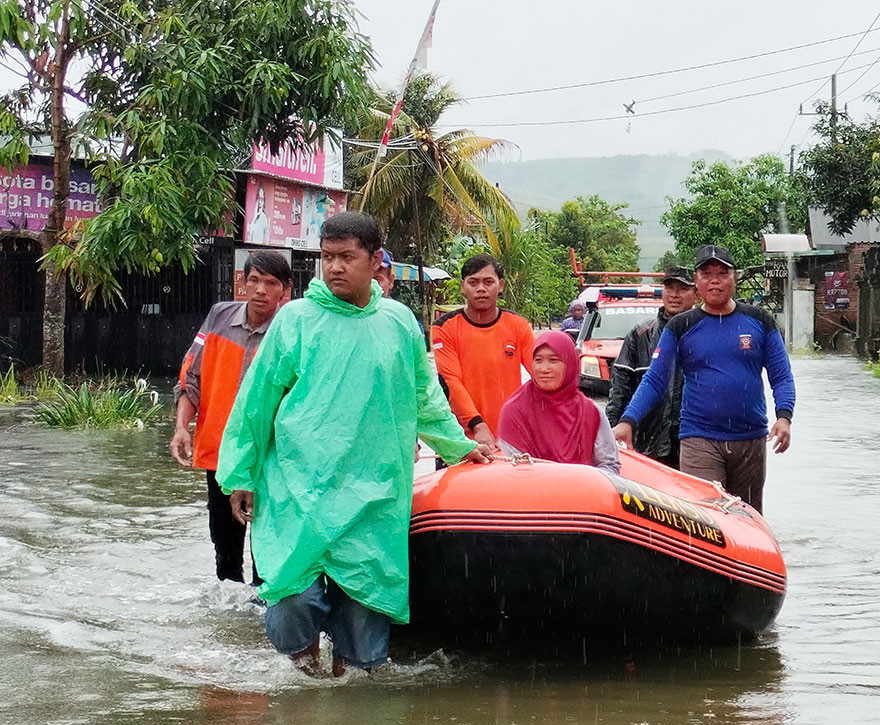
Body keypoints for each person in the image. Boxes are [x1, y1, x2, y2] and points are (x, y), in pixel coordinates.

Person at [217, 212, 491, 678]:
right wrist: (241, 475)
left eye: (347, 257)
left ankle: (347, 694)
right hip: (298, 487)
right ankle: (303, 678)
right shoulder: (296, 321)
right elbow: (256, 401)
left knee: (364, 609)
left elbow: (423, 396)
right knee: (290, 599)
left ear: (375, 260)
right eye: (327, 257)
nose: (336, 267)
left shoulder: (400, 323)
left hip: (373, 491)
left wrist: (460, 447)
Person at [613, 244, 795, 514]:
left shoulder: (759, 321)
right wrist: (628, 421)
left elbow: (781, 376)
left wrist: (784, 416)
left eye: (722, 273)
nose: (715, 280)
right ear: (697, 282)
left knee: (747, 517)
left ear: (735, 278)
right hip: (699, 439)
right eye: (707, 274)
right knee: (704, 520)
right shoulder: (681, 326)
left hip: (750, 439)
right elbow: (655, 380)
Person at [171, 251, 291, 583]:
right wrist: (182, 427)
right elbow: (191, 378)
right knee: (225, 554)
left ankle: (262, 623)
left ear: (285, 291)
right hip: (221, 453)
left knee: (267, 557)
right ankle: (229, 629)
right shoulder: (219, 317)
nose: (261, 290)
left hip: (271, 458)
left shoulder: (290, 331)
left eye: (270, 283)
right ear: (242, 282)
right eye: (253, 280)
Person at [431, 254, 534, 449]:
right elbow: (451, 381)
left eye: (488, 282)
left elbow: (540, 375)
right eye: (473, 282)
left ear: (501, 285)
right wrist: (477, 425)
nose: (481, 289)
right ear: (463, 286)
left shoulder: (518, 326)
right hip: (459, 438)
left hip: (509, 436)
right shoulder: (444, 328)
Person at [605, 266, 698, 468]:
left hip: (694, 445)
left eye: (682, 289)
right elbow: (619, 391)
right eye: (669, 288)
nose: (674, 295)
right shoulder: (640, 334)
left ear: (696, 294)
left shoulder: (704, 334)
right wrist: (612, 432)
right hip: (647, 444)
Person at [498, 331, 620, 475]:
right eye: (538, 360)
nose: (544, 369)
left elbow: (609, 466)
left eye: (554, 360)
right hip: (531, 492)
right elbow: (517, 473)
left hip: (585, 493)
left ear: (570, 364)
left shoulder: (590, 411)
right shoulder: (515, 410)